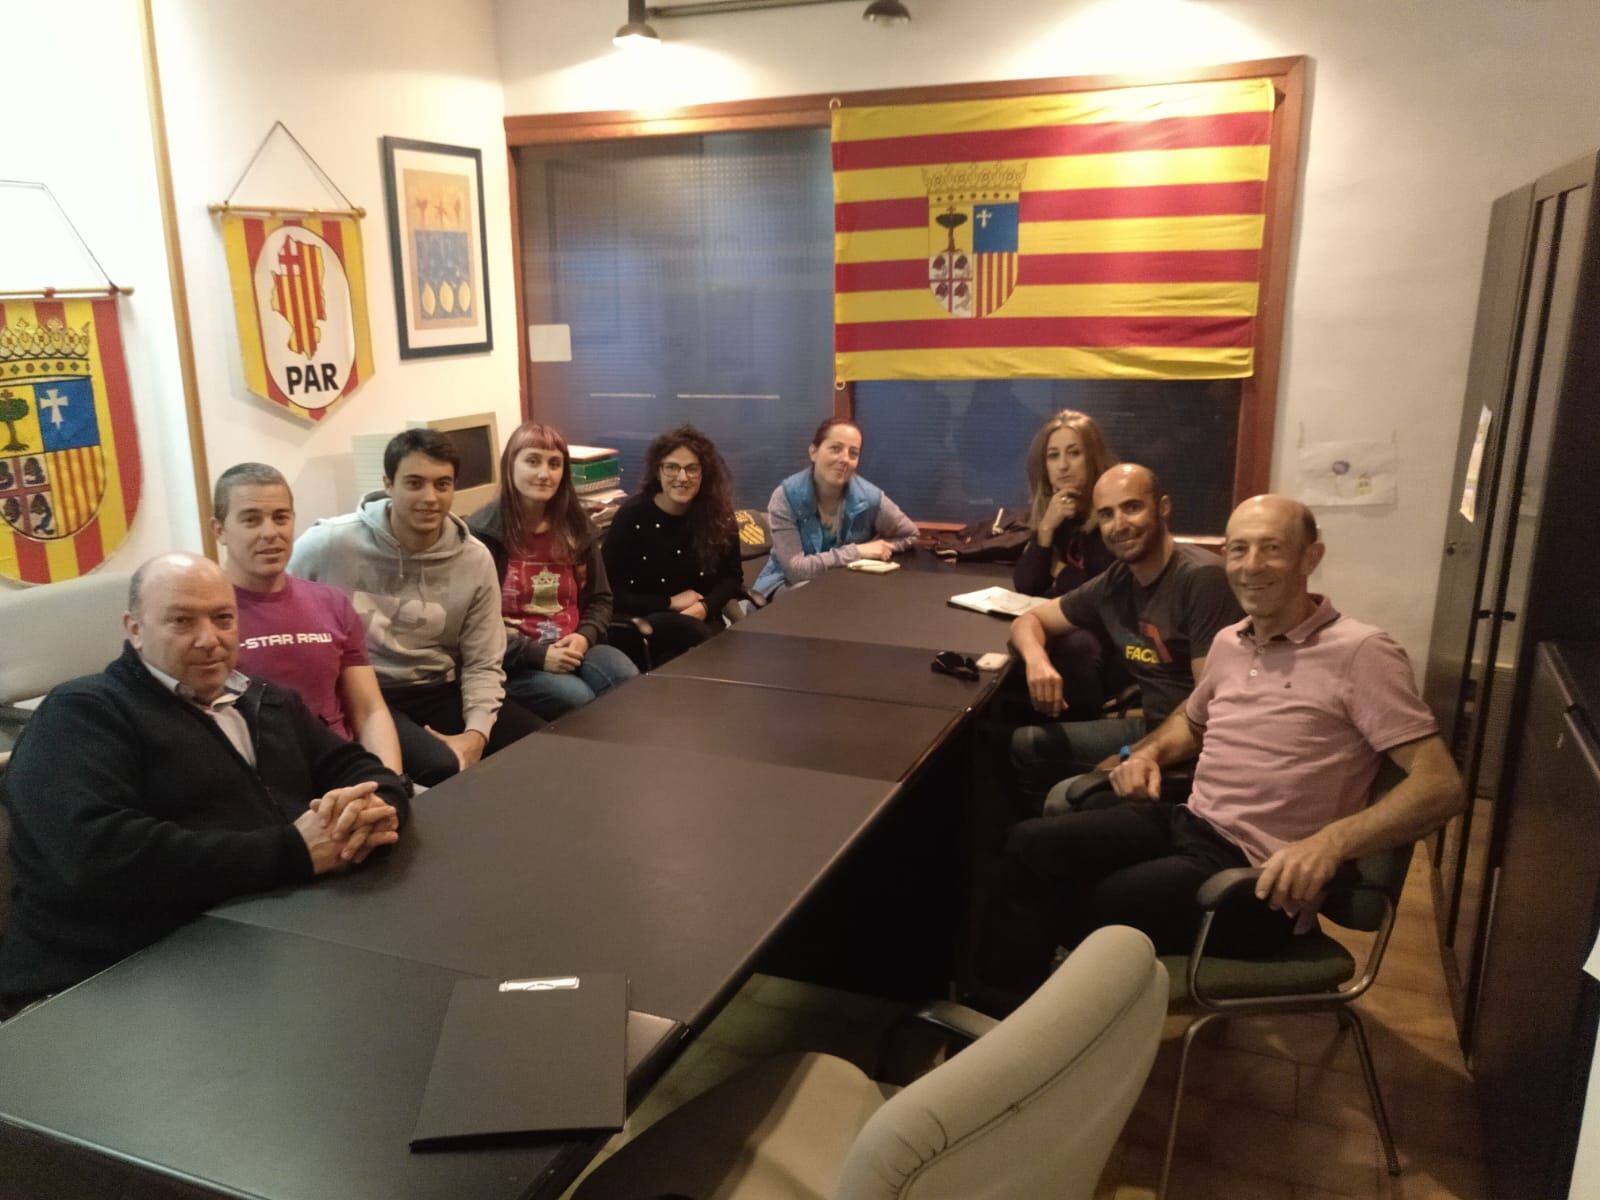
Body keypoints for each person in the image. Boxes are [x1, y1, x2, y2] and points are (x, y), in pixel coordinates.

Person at [977, 497, 1465, 1008]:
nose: (1251, 565)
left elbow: (1441, 786)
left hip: (1259, 882)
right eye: (1238, 549)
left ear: (1310, 557)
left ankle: (1029, 1031)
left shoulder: (1362, 653)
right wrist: (1144, 755)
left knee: (1079, 904)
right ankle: (998, 1022)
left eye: (1271, 548)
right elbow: (1191, 724)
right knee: (1028, 845)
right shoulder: (1232, 641)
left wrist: (1331, 843)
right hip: (1192, 823)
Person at [0, 553, 408, 1016]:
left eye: (223, 619)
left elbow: (358, 767)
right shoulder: (80, 713)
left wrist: (373, 810)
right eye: (182, 621)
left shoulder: (267, 701)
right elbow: (94, 855)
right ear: (134, 629)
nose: (209, 639)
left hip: (254, 950)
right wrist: (292, 851)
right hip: (103, 982)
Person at [288, 429, 543, 786]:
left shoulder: (474, 559)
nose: (430, 498)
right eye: (414, 483)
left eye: (442, 484)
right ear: (388, 484)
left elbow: (483, 661)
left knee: (541, 749)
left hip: (437, 687)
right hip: (366, 694)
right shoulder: (328, 544)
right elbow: (285, 607)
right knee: (443, 766)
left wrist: (476, 735)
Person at [1008, 464, 1242, 805]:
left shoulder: (1203, 580)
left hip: (1195, 748)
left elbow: (1208, 711)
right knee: (1026, 744)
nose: (1119, 524)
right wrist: (1037, 661)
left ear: (1163, 508)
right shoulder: (1117, 580)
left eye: (1132, 507)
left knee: (1064, 798)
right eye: (1106, 514)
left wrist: (1131, 756)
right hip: (1152, 725)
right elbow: (1028, 620)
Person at [211, 462, 403, 774]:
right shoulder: (204, 618)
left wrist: (389, 782)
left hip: (342, 772)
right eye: (251, 520)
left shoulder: (332, 603)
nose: (270, 533)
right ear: (219, 530)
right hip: (259, 781)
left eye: (280, 518)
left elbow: (369, 711)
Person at [466, 422, 637, 718]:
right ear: (510, 466)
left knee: (627, 680)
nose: (545, 474)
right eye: (532, 461)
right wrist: (538, 654)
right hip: (513, 659)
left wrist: (585, 636)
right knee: (577, 698)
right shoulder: (483, 532)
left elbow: (600, 599)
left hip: (574, 643)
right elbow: (474, 624)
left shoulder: (577, 527)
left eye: (554, 464)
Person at [1011, 409, 1122, 717]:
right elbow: (1027, 584)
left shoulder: (1112, 515)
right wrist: (1046, 529)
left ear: (1092, 458)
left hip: (1112, 631)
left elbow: (1097, 593)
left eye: (1074, 453)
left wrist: (1063, 574)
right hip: (1069, 617)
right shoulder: (1059, 512)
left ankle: (1079, 729)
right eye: (1053, 455)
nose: (1062, 465)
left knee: (1075, 647)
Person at [603, 424, 744, 664]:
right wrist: (669, 603)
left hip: (702, 623)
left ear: (704, 473)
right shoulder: (632, 517)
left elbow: (732, 577)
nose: (682, 477)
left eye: (692, 469)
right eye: (671, 467)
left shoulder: (718, 516)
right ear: (658, 471)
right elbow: (609, 593)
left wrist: (706, 607)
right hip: (644, 628)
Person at [751, 417, 919, 599]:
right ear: (813, 452)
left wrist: (881, 548)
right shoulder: (786, 497)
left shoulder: (869, 497)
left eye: (853, 453)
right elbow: (796, 571)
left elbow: (910, 535)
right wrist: (857, 552)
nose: (845, 459)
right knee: (818, 594)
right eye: (835, 449)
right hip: (785, 587)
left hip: (841, 588)